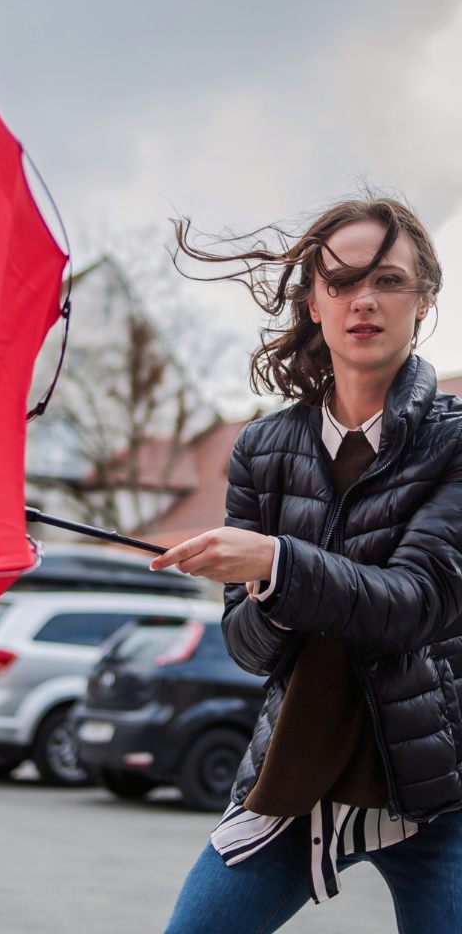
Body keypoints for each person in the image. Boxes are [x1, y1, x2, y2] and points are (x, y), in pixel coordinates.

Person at [154, 194, 462, 932]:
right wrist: (260, 588)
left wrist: (279, 561)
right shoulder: (263, 449)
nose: (364, 299)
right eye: (341, 281)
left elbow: (415, 603)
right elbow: (248, 648)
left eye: (388, 281)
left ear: (421, 303)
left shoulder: (455, 444)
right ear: (314, 304)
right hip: (296, 774)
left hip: (440, 784)